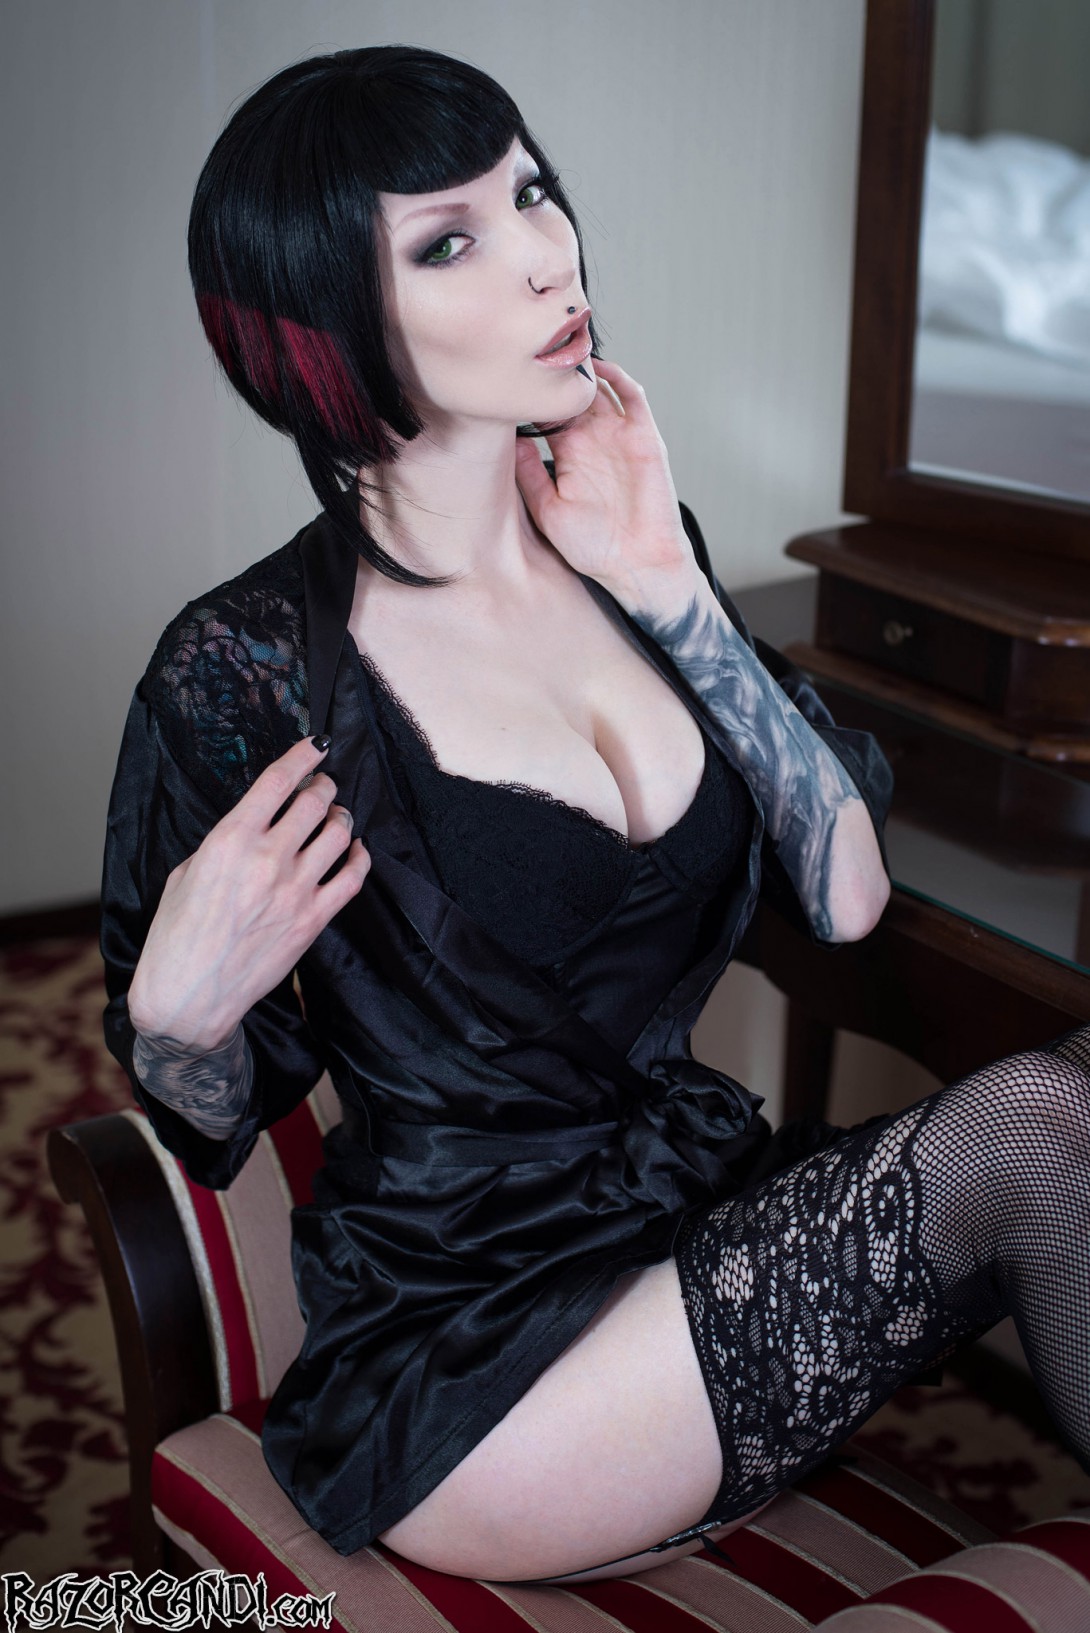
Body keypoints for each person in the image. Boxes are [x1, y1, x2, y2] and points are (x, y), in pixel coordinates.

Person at [100, 44, 1090, 1585]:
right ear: (324, 328)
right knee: (1030, 1129)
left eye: (533, 191)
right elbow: (208, 1118)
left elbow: (842, 896)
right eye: (451, 240)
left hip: (690, 1240)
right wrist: (175, 1019)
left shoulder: (631, 546)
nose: (548, 252)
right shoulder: (246, 666)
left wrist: (668, 584)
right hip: (474, 1372)